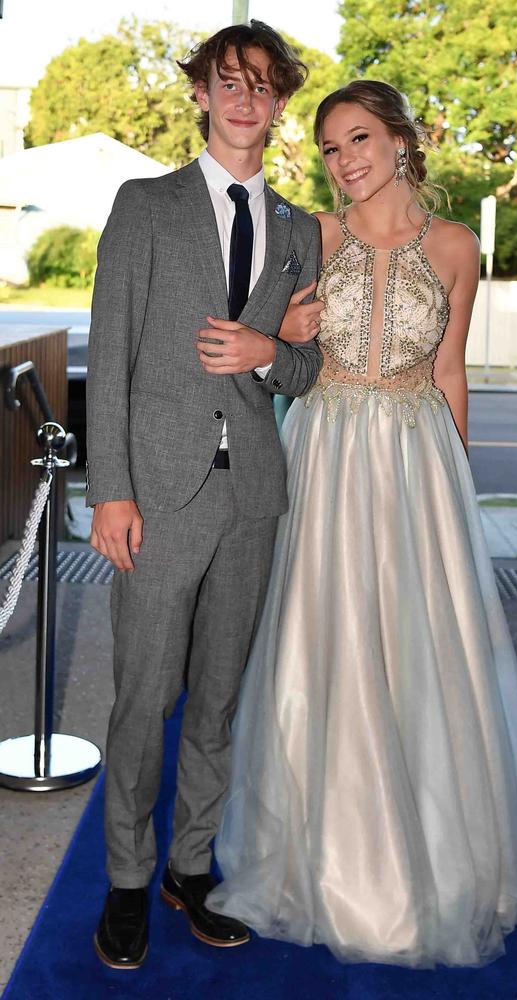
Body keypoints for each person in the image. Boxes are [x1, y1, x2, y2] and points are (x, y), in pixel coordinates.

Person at [203, 80, 517, 969]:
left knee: (421, 647)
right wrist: (283, 324)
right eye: (328, 147)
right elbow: (268, 349)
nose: (345, 159)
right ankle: (321, 854)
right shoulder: (313, 237)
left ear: (402, 140)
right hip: (324, 448)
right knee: (326, 644)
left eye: (359, 138)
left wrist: (458, 487)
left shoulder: (456, 245)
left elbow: (448, 371)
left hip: (415, 460)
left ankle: (434, 855)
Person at [85, 21, 322, 969]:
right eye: (229, 81)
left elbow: (308, 370)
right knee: (145, 697)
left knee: (219, 699)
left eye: (264, 87)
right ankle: (128, 882)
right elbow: (109, 354)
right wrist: (112, 491)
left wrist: (274, 353)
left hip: (254, 496)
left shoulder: (302, 230)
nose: (245, 100)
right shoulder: (143, 204)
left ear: (278, 104)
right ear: (201, 92)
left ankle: (190, 869)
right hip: (158, 492)